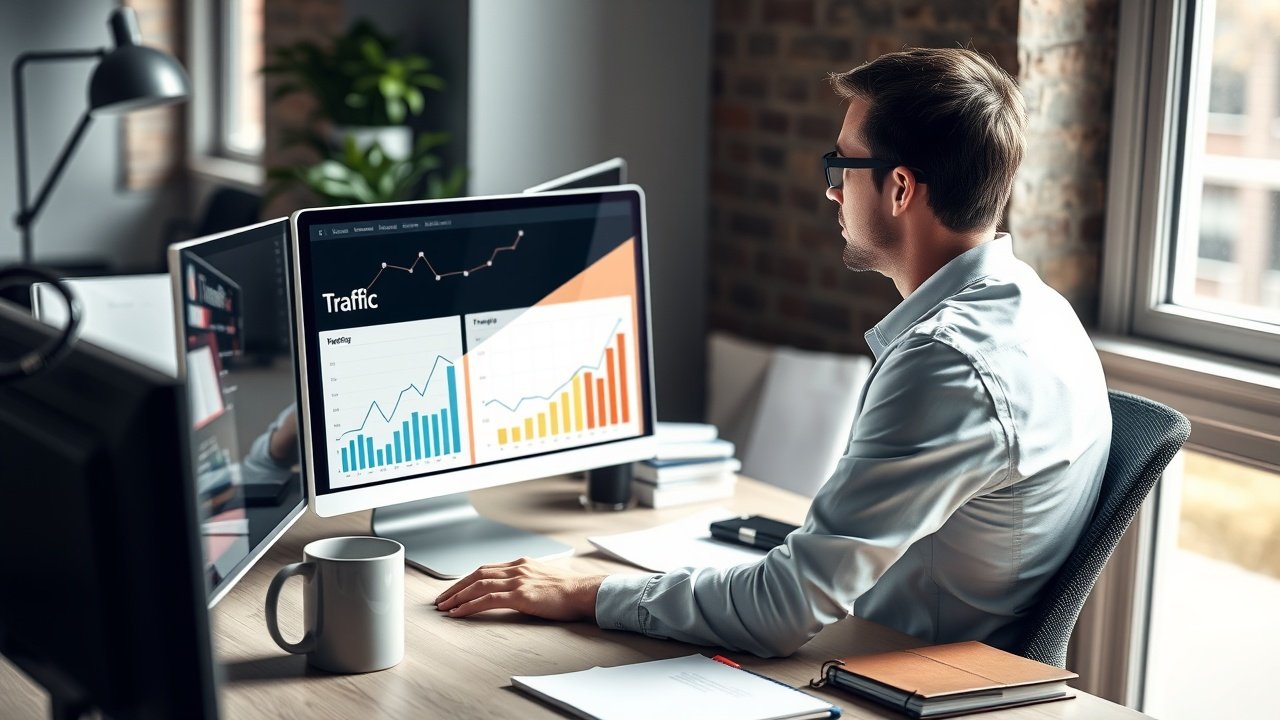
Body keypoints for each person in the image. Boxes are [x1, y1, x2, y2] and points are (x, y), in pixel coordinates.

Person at [435, 47, 1112, 658]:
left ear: (901, 188)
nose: (830, 190)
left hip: (885, 676)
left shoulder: (948, 362)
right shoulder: (1041, 312)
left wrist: (591, 591)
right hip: (877, 638)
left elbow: (782, 612)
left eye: (840, 164)